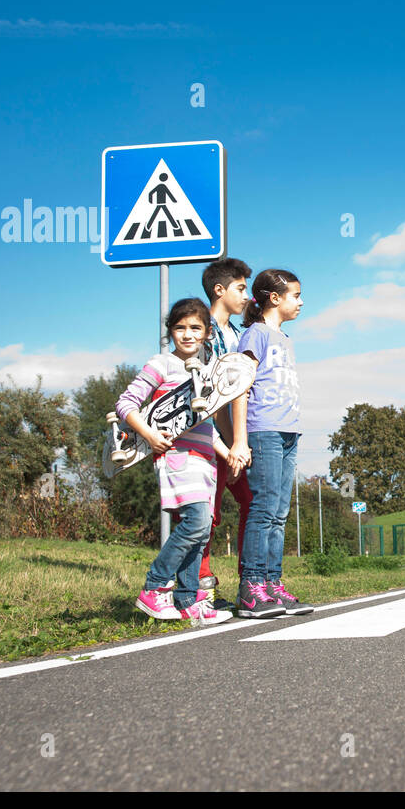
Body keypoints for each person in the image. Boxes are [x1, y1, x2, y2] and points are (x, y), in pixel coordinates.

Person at [118, 297, 248, 625]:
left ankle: (189, 602)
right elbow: (125, 404)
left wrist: (229, 453)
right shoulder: (160, 364)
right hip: (176, 457)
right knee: (197, 522)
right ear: (170, 332)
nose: (187, 334)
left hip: (204, 459)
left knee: (202, 530)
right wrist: (147, 435)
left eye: (195, 328)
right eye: (180, 328)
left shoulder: (206, 372)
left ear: (206, 333)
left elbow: (205, 429)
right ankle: (155, 586)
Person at [235, 268, 314, 618]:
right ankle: (251, 587)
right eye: (295, 295)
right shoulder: (256, 334)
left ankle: (272, 585)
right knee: (264, 508)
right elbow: (239, 386)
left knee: (280, 514)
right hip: (263, 429)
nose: (301, 302)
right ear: (275, 298)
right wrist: (240, 439)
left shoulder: (285, 339)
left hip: (289, 431)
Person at [191, 257, 255, 607]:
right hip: (207, 438)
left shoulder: (237, 335)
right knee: (208, 514)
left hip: (232, 438)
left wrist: (237, 443)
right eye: (240, 288)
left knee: (250, 501)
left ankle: (251, 581)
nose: (246, 296)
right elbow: (207, 397)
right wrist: (226, 446)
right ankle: (201, 585)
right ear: (220, 290)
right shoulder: (204, 334)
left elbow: (237, 395)